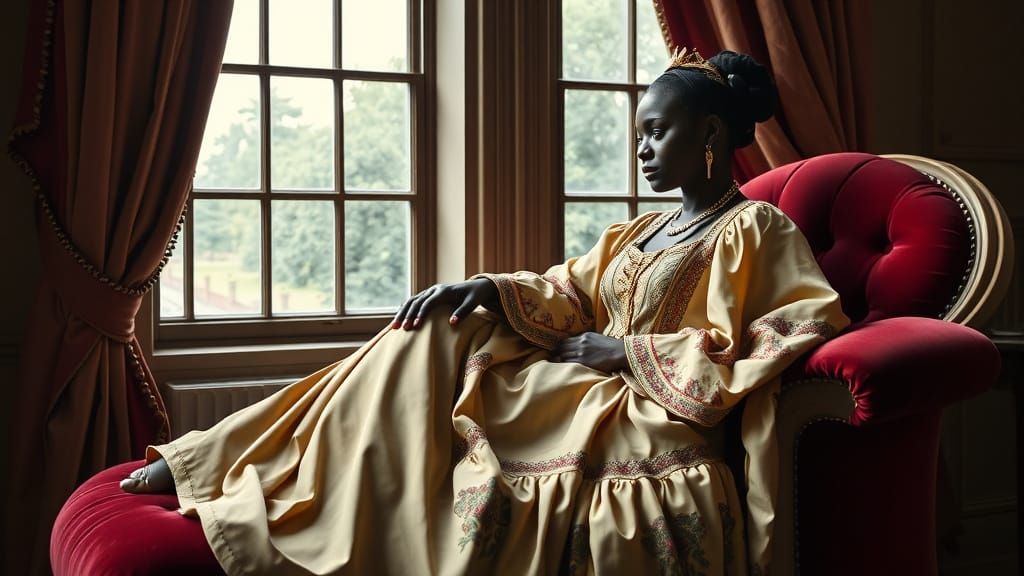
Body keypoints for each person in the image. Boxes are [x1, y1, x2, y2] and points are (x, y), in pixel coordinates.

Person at [119, 48, 849, 575]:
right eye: (636, 137)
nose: (642, 152)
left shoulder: (755, 229)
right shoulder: (640, 232)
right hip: (586, 376)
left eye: (656, 132)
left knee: (454, 363)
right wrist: (489, 289)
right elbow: (570, 292)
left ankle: (218, 461)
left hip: (644, 404)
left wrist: (624, 353)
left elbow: (793, 330)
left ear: (713, 135)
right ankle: (217, 459)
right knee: (443, 326)